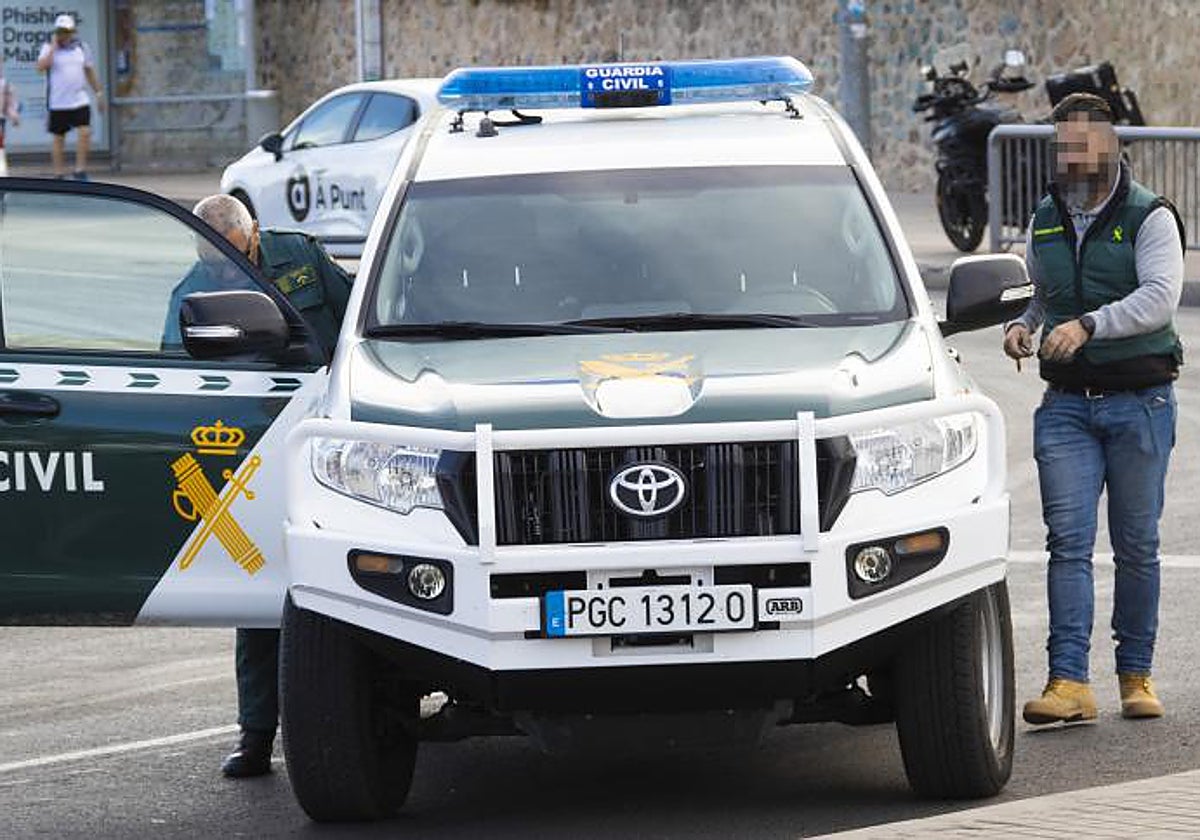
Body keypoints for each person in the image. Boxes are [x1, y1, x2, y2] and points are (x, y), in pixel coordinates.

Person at [1003, 93, 1184, 726]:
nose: (1073, 157)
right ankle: (1068, 684)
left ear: (1111, 146)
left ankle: (1135, 675)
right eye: (1064, 146)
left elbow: (1159, 298)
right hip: (1066, 409)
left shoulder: (1149, 216)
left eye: (1085, 144)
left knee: (1136, 546)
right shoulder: (1046, 215)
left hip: (1140, 402)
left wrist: (1088, 325)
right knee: (1068, 544)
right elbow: (1040, 291)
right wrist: (1022, 325)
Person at [181, 195, 352, 777]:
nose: (224, 268)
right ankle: (255, 734)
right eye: (214, 260)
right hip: (251, 453)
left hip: (330, 438)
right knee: (259, 594)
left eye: (234, 254)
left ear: (252, 234)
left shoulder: (301, 257)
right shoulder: (191, 289)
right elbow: (177, 371)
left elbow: (356, 320)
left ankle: (364, 719)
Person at [36, 14, 104, 181]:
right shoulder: (47, 48)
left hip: (79, 99)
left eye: (66, 31)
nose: (63, 35)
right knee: (59, 137)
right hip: (58, 102)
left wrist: (98, 92)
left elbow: (89, 71)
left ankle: (80, 169)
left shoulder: (81, 47)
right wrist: (53, 47)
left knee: (85, 132)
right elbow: (41, 67)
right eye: (60, 31)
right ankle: (59, 173)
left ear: (72, 32)